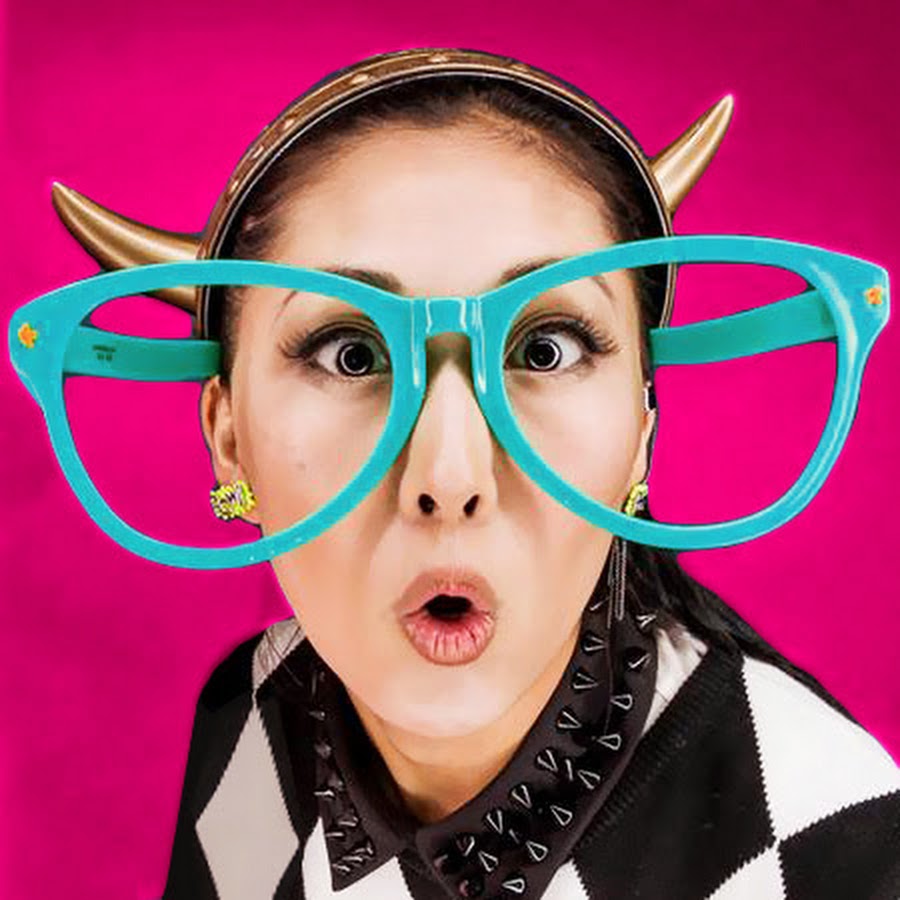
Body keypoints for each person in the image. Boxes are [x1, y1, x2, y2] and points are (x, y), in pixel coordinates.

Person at [10, 49, 899, 899]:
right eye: (352, 354)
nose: (448, 474)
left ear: (641, 429)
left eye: (544, 350)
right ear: (228, 436)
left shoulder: (840, 849)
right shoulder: (255, 715)